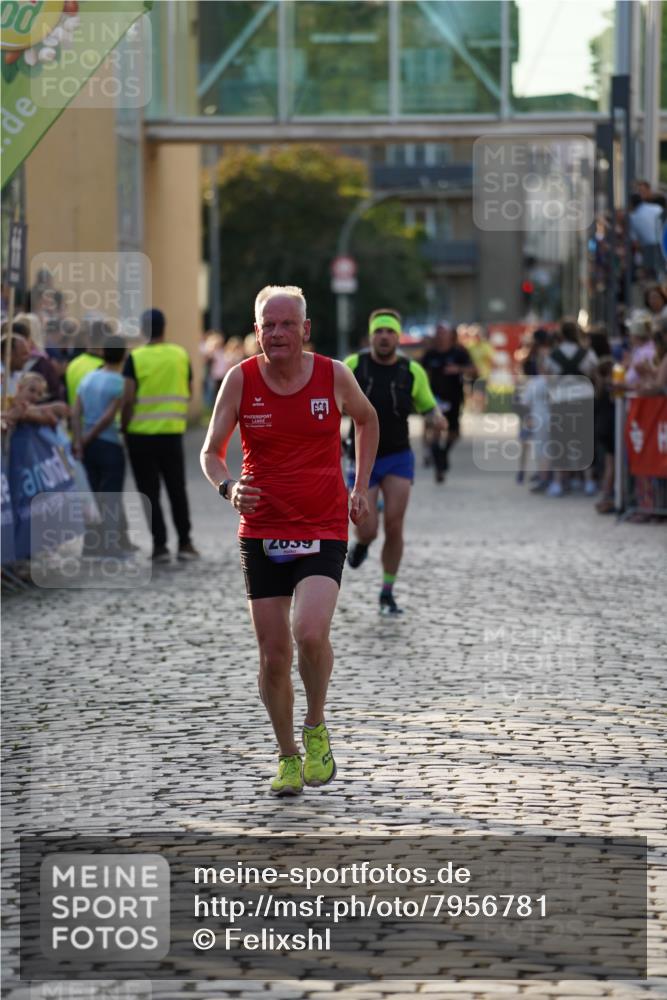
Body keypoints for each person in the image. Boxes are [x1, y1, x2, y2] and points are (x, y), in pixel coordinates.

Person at [200, 284, 378, 797]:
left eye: (287, 324)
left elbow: (367, 419)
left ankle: (315, 724)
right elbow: (211, 452)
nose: (277, 333)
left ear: (305, 329)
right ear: (256, 332)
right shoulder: (239, 379)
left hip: (322, 524)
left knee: (310, 633)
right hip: (262, 530)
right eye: (268, 325)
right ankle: (286, 756)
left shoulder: (332, 375)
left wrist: (360, 486)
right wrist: (229, 488)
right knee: (274, 656)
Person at [344, 308, 445, 615]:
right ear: (370, 336)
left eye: (390, 332)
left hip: (398, 456)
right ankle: (363, 544)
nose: (384, 337)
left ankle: (387, 591)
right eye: (379, 331)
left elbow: (428, 405)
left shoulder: (411, 371)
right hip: (361, 458)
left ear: (398, 338)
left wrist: (437, 418)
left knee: (394, 524)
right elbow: (330, 402)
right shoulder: (353, 366)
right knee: (367, 528)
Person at [121, 308, 199, 563]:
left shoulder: (135, 358)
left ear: (143, 330)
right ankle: (185, 543)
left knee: (149, 492)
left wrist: (124, 425)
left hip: (140, 437)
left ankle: (160, 546)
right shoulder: (180, 354)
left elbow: (128, 398)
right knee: (177, 489)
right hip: (172, 434)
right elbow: (189, 390)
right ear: (164, 328)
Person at [72, 337, 129, 558]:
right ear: (124, 356)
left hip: (88, 448)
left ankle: (90, 546)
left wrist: (79, 441)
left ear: (103, 353)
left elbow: (76, 412)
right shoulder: (121, 382)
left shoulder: (88, 378)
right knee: (110, 497)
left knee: (91, 496)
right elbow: (108, 418)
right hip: (110, 444)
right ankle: (110, 546)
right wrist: (88, 438)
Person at [421, 322, 476, 482]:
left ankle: (443, 453)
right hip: (434, 398)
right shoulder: (430, 354)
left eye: (443, 333)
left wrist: (458, 369)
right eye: (438, 333)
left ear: (450, 335)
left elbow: (474, 369)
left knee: (455, 433)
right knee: (435, 429)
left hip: (454, 398)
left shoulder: (459, 352)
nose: (440, 336)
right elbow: (420, 372)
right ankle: (439, 466)